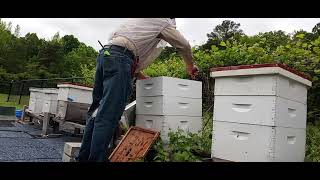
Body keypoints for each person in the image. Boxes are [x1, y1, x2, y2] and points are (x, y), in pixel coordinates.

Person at [76, 18, 199, 162]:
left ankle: (83, 158)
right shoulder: (164, 21)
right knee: (108, 116)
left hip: (106, 54)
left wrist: (142, 77)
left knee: (96, 112)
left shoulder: (141, 23)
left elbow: (126, 49)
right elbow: (183, 45)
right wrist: (190, 65)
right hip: (120, 58)